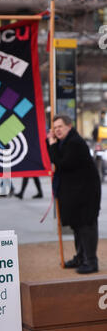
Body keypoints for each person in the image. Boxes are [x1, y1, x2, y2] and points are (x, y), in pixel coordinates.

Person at [47, 114, 101, 274]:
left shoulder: (74, 142)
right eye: (55, 127)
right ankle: (81, 257)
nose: (57, 130)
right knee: (78, 225)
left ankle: (91, 261)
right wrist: (51, 143)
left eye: (60, 127)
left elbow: (62, 163)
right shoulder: (66, 142)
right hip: (76, 191)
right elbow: (57, 158)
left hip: (86, 193)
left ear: (69, 127)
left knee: (86, 225)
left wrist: (51, 145)